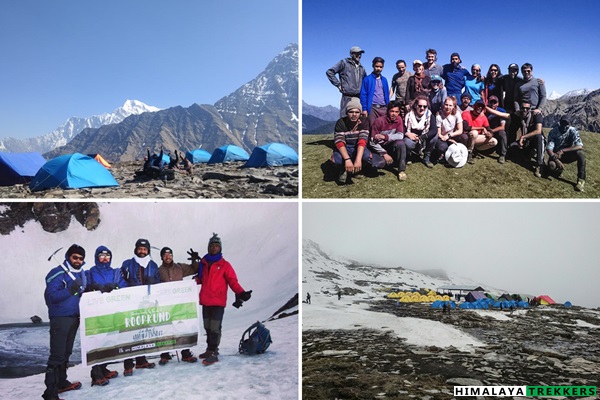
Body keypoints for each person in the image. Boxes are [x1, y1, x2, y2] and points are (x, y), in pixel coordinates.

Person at [197, 233, 252, 365]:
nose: (215, 248)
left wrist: (241, 292)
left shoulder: (225, 265)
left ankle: (214, 352)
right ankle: (209, 349)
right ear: (208, 248)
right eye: (212, 246)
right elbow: (200, 279)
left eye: (217, 246)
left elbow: (232, 281)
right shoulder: (203, 263)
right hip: (205, 301)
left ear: (220, 248)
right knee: (207, 327)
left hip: (218, 302)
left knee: (215, 328)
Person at [42, 244, 87, 400]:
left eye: (81, 258)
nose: (78, 260)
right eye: (75, 257)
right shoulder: (57, 273)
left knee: (66, 353)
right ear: (68, 257)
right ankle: (50, 392)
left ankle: (61, 381)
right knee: (57, 355)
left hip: (74, 317)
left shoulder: (81, 274)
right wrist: (69, 289)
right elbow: (51, 297)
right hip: (60, 318)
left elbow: (83, 292)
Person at [120, 238, 161, 375]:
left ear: (148, 250)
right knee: (129, 333)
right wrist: (131, 286)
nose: (142, 252)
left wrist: (154, 282)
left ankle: (141, 360)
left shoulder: (153, 265)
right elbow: (121, 281)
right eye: (140, 249)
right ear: (136, 249)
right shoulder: (127, 264)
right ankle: (128, 364)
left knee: (142, 333)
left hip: (146, 304)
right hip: (131, 303)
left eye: (144, 249)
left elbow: (158, 282)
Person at [86, 246, 125, 387]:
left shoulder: (115, 273)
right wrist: (93, 287)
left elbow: (124, 287)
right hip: (97, 313)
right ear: (97, 257)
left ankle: (103, 368)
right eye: (101, 256)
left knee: (110, 340)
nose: (104, 259)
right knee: (98, 340)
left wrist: (115, 287)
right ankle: (96, 374)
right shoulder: (90, 272)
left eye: (107, 256)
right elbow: (84, 286)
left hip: (112, 311)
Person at [157, 246, 200, 365]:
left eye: (169, 254)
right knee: (165, 328)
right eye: (165, 255)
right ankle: (164, 354)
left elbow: (195, 269)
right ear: (161, 257)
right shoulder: (158, 271)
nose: (168, 257)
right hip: (165, 304)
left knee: (182, 327)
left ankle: (185, 353)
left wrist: (194, 260)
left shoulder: (180, 267)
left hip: (179, 304)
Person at [487, 101, 545, 177]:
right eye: (523, 108)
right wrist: (485, 107)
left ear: (530, 109)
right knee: (512, 147)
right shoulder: (518, 116)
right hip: (526, 142)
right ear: (520, 108)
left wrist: (523, 137)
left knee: (539, 137)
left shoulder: (536, 115)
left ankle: (539, 165)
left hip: (535, 142)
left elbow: (538, 131)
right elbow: (500, 114)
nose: (525, 110)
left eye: (527, 108)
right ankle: (528, 153)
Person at [331, 98, 371, 184]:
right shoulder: (341, 123)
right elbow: (339, 142)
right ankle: (343, 170)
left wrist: (358, 159)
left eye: (357, 112)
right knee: (336, 160)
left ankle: (357, 170)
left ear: (360, 113)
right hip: (345, 148)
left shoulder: (364, 122)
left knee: (367, 156)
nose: (354, 115)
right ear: (347, 113)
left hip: (357, 147)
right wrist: (347, 159)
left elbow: (362, 141)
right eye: (351, 112)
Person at [369, 101, 408, 181]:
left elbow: (400, 135)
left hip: (389, 145)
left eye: (396, 112)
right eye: (392, 111)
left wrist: (385, 137)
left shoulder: (399, 119)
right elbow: (372, 142)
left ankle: (401, 170)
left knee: (401, 143)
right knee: (378, 164)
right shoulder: (379, 121)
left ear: (399, 112)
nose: (394, 114)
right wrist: (384, 153)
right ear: (388, 111)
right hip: (378, 147)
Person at [326, 46, 367, 118]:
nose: (359, 56)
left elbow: (366, 81)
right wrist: (338, 85)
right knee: (344, 118)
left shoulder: (362, 68)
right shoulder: (344, 63)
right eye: (357, 53)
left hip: (359, 98)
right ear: (351, 54)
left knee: (358, 119)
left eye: (360, 54)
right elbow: (329, 72)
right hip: (347, 97)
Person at [546, 118, 586, 191]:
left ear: (570, 125)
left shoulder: (573, 130)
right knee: (551, 166)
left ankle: (581, 180)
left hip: (567, 154)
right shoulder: (553, 132)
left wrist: (563, 150)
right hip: (556, 156)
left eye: (567, 124)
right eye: (563, 124)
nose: (564, 126)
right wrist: (557, 160)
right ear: (560, 123)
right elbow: (549, 149)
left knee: (580, 154)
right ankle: (558, 170)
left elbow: (579, 146)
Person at [404, 95, 438, 168]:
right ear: (416, 105)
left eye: (424, 106)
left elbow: (434, 130)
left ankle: (426, 157)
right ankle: (409, 156)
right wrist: (408, 134)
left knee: (435, 137)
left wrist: (421, 137)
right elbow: (403, 128)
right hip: (411, 138)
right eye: (420, 106)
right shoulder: (409, 115)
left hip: (423, 138)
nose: (422, 108)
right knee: (408, 142)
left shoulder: (430, 115)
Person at [462, 100, 495, 164]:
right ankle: (469, 153)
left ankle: (476, 149)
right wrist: (482, 128)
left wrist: (490, 134)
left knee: (494, 141)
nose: (479, 107)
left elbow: (489, 129)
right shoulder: (466, 113)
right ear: (474, 106)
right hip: (467, 137)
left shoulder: (483, 117)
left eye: (481, 106)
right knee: (474, 133)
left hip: (476, 138)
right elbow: (465, 127)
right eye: (478, 105)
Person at [360, 56, 389, 126]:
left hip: (384, 107)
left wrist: (388, 107)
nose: (378, 69)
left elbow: (386, 94)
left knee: (383, 126)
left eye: (380, 67)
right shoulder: (367, 79)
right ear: (373, 66)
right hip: (372, 108)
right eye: (376, 66)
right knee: (372, 126)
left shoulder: (384, 80)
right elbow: (363, 95)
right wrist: (364, 109)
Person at [486, 96, 508, 164]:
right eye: (491, 102)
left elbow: (502, 127)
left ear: (498, 103)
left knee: (502, 133)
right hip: (487, 130)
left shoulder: (502, 111)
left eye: (494, 102)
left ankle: (502, 155)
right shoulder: (485, 111)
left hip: (496, 131)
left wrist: (492, 131)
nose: (493, 104)